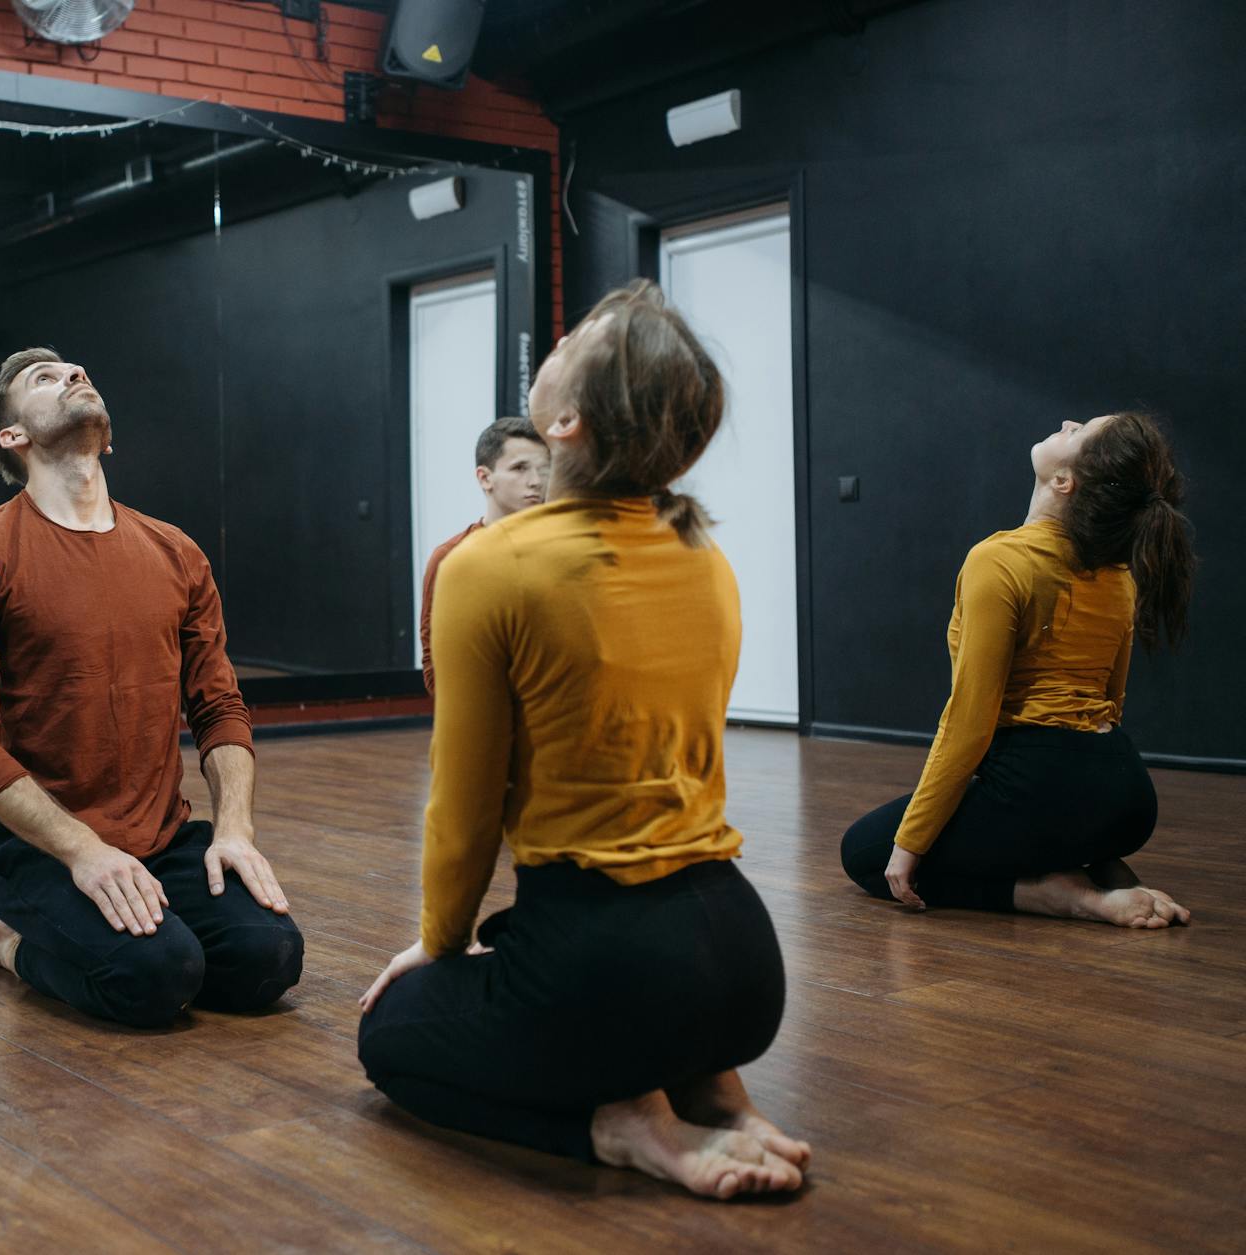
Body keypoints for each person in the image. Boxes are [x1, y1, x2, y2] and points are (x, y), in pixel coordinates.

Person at [356, 281, 808, 1200]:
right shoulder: (702, 553)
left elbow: (466, 802)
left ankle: (622, 1123)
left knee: (392, 1036)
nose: (558, 336)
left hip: (614, 974)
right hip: (745, 966)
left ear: (565, 424)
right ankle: (715, 1088)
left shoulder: (487, 566)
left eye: (580, 337)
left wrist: (437, 945)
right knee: (529, 945)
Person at [0, 347, 301, 1029]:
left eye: (78, 371)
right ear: (14, 437)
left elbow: (218, 707)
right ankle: (11, 946)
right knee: (158, 975)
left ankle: (137, 922)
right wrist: (83, 851)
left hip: (164, 837)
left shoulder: (176, 551)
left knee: (269, 958)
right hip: (40, 851)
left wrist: (236, 831)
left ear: (108, 431)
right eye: (45, 378)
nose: (74, 375)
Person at [839, 412, 1195, 928]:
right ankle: (1087, 857)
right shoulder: (1119, 577)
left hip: (1043, 784)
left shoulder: (998, 561)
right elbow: (1110, 702)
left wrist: (909, 845)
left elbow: (968, 724)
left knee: (865, 854)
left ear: (1064, 481)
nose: (1068, 422)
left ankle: (1065, 897)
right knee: (1006, 815)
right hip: (1128, 798)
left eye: (1079, 432)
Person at [420, 417, 550, 694]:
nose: (536, 481)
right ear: (485, 477)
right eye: (520, 468)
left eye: (544, 469)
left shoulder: (562, 551)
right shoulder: (451, 557)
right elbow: (435, 672)